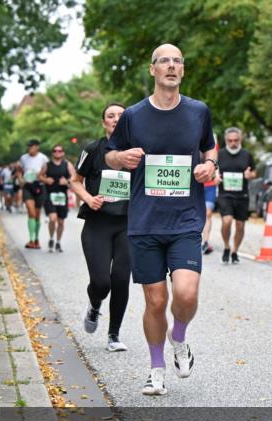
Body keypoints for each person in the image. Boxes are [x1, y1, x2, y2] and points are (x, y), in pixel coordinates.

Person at [105, 43, 217, 396]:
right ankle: (156, 369)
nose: (171, 66)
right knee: (155, 302)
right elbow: (108, 156)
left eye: (177, 61)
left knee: (185, 293)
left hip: (185, 218)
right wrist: (121, 157)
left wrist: (209, 166)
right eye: (164, 61)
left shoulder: (198, 111)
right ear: (152, 69)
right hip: (145, 221)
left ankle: (178, 338)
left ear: (183, 70)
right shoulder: (133, 116)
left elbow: (209, 148)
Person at [71, 102, 131, 352]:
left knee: (120, 279)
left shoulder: (137, 150)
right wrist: (88, 198)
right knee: (101, 282)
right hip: (98, 224)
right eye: (111, 115)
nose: (116, 119)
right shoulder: (93, 149)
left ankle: (114, 335)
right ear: (104, 122)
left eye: (121, 115)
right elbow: (76, 181)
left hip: (128, 224)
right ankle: (95, 305)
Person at [217, 127, 257, 264]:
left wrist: (249, 175)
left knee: (240, 225)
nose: (233, 143)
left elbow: (254, 172)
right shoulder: (220, 154)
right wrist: (214, 177)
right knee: (226, 221)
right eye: (230, 140)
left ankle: (235, 251)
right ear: (226, 140)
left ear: (240, 140)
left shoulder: (247, 155)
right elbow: (213, 172)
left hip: (242, 195)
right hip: (225, 194)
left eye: (236, 140)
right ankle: (226, 246)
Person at [41, 144, 75, 252]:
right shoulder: (47, 165)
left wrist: (67, 181)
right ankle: (51, 238)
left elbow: (75, 177)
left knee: (60, 222)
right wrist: (46, 180)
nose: (57, 153)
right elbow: (39, 176)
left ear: (63, 153)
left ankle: (58, 242)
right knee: (52, 219)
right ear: (52, 153)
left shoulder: (67, 165)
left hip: (62, 196)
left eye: (60, 151)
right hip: (50, 196)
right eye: (55, 151)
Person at [19, 139, 49, 249]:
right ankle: (31, 240)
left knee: (37, 214)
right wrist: (20, 180)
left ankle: (36, 239)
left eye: (32, 146)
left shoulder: (43, 158)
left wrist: (40, 174)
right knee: (30, 211)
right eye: (29, 146)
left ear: (37, 147)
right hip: (28, 186)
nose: (29, 148)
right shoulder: (23, 158)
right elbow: (19, 170)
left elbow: (47, 170)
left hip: (39, 187)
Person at [201, 141, 220, 256]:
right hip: (195, 185)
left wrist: (217, 176)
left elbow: (216, 162)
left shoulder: (213, 143)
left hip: (210, 185)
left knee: (208, 213)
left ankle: (205, 241)